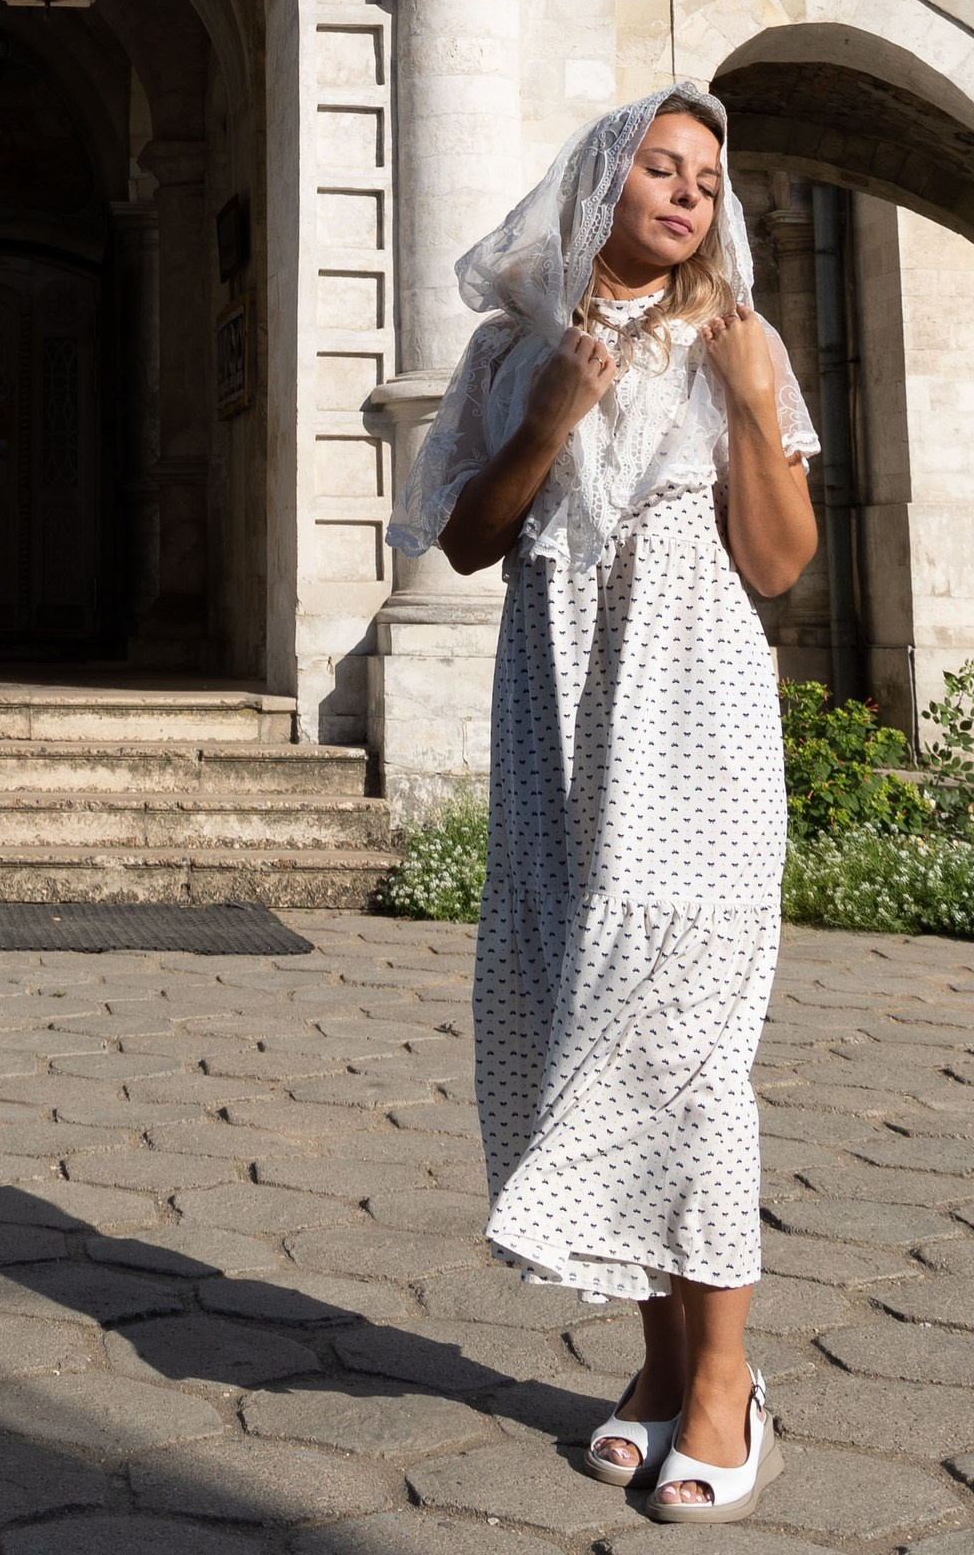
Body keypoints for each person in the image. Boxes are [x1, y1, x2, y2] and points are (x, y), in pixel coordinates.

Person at [387, 88, 818, 1523]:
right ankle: (651, 1369)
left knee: (685, 1041)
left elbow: (779, 564)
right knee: (582, 1011)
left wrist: (756, 410)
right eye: (664, 166)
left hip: (692, 709)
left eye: (710, 176)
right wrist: (555, 412)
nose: (691, 193)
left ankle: (725, 1383)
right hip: (556, 707)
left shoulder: (736, 344)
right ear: (604, 178)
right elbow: (465, 539)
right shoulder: (516, 345)